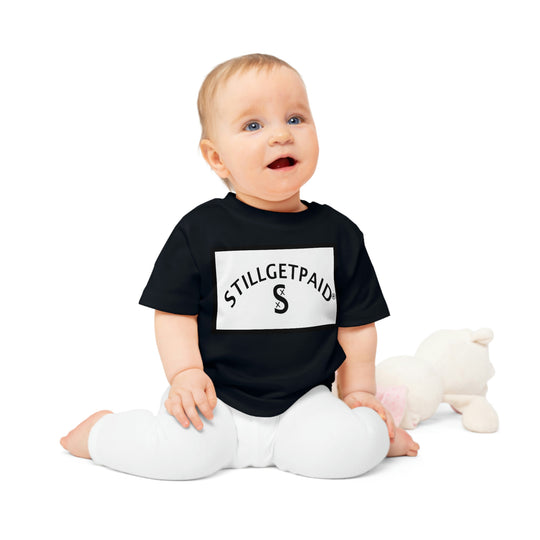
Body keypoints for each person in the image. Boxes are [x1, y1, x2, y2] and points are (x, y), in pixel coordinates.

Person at [60, 53, 419, 480]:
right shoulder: (200, 231)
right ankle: (101, 434)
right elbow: (174, 314)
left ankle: (371, 434)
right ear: (216, 158)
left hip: (307, 402)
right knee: (180, 455)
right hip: (216, 400)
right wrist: (186, 374)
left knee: (345, 453)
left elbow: (357, 327)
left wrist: (358, 392)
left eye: (296, 118)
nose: (281, 135)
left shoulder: (339, 234)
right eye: (253, 125)